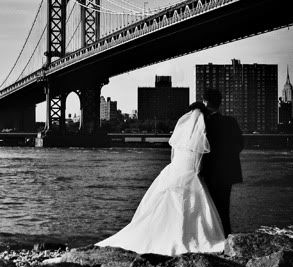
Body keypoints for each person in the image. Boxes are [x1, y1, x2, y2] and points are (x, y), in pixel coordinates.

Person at [95, 102, 225, 255]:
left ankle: (161, 233)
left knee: (161, 206)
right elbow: (199, 161)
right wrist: (199, 173)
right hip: (189, 172)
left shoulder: (181, 133)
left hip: (174, 170)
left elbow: (175, 155)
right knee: (193, 205)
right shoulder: (201, 134)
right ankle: (192, 236)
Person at [199, 88, 244, 237]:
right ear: (220, 103)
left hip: (209, 174)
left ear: (205, 102)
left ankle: (211, 239)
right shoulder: (231, 122)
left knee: (208, 208)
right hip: (227, 174)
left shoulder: (204, 123)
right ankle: (226, 238)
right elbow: (240, 145)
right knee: (223, 208)